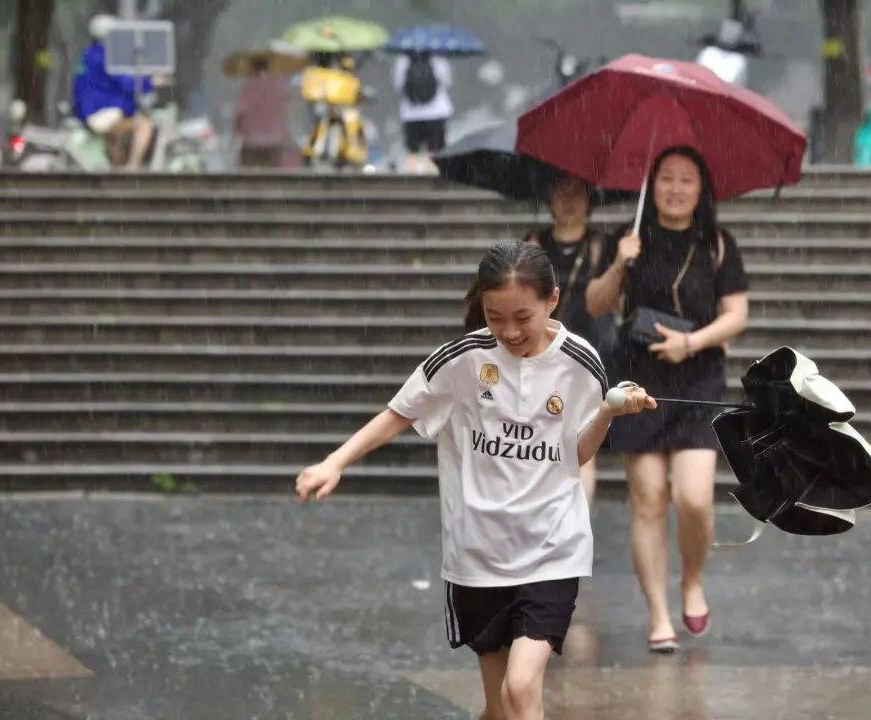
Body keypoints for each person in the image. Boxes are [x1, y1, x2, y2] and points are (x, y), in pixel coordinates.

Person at [296, 240, 655, 720]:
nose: (510, 331)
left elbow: (577, 453)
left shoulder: (580, 361)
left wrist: (609, 411)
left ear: (552, 300)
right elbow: (399, 413)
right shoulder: (462, 359)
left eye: (523, 317)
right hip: (478, 553)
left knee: (521, 689)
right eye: (494, 316)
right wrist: (335, 462)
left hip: (552, 547)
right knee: (498, 707)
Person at [586, 146, 749, 653]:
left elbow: (736, 315)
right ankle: (658, 615)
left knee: (694, 498)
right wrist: (619, 263)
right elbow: (595, 304)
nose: (675, 188)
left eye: (686, 180)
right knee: (649, 498)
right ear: (650, 184)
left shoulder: (717, 243)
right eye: (666, 178)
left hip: (698, 377)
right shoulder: (628, 237)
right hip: (639, 376)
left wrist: (691, 342)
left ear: (701, 191)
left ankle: (692, 580)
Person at [521, 175, 614, 506]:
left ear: (589, 201)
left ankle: (575, 519)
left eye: (576, 193)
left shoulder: (603, 245)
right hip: (539, 351)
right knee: (538, 436)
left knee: (579, 438)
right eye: (560, 193)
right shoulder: (533, 243)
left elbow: (612, 299)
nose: (569, 201)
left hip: (585, 351)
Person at [73, 14, 155, 169]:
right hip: (102, 112)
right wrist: (149, 81)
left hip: (87, 112)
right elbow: (127, 83)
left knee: (117, 143)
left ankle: (117, 167)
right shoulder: (107, 56)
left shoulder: (88, 54)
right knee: (145, 125)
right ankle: (133, 167)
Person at [392, 51, 452, 173]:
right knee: (435, 149)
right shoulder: (439, 59)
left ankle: (411, 176)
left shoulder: (402, 60)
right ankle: (433, 174)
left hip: (410, 114)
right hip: (437, 112)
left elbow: (398, 85)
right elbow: (447, 82)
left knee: (412, 151)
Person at [234, 57, 291, 168]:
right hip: (274, 140)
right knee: (272, 176)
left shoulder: (248, 85)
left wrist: (236, 133)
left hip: (251, 141)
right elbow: (285, 109)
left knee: (247, 176)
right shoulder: (279, 84)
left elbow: (240, 113)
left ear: (253, 67)